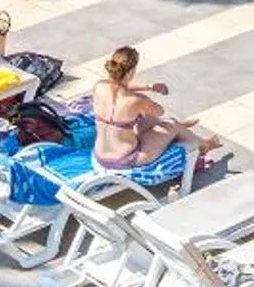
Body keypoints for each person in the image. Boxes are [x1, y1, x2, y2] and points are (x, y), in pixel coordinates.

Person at [91, 46, 220, 189]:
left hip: (101, 156)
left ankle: (181, 128)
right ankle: (203, 144)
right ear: (131, 71)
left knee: (142, 119)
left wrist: (149, 86)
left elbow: (117, 87)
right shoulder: (135, 100)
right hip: (127, 158)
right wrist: (144, 99)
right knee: (170, 123)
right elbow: (159, 111)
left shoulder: (99, 86)